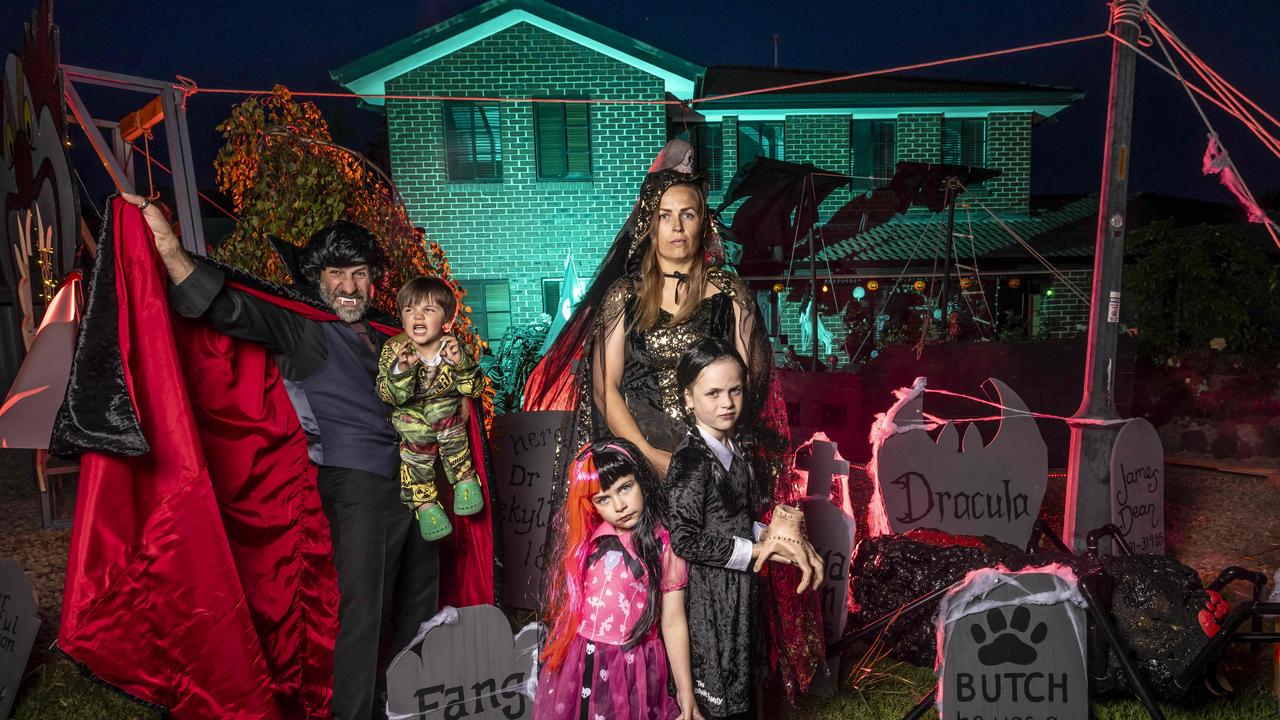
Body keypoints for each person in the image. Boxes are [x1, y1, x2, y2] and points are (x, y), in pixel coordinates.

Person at [124, 193, 438, 720]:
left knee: (420, 605)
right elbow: (230, 308)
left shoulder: (389, 329)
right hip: (357, 485)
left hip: (421, 485)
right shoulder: (302, 327)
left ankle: (408, 708)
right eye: (336, 274)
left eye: (359, 273)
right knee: (362, 614)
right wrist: (169, 249)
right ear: (316, 278)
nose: (348, 286)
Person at [664, 338, 822, 719]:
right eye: (713, 393)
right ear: (688, 397)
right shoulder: (690, 461)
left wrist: (771, 536)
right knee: (720, 695)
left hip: (742, 590)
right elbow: (684, 539)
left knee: (747, 689)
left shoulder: (737, 452)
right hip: (710, 598)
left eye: (734, 390)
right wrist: (753, 551)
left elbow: (735, 518)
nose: (726, 403)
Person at [536, 438, 700, 720]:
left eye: (625, 487)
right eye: (603, 498)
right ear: (591, 504)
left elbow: (672, 620)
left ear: (641, 480)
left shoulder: (664, 545)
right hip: (579, 659)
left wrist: (686, 692)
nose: (620, 505)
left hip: (630, 664)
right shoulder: (587, 541)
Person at [377, 276, 486, 541]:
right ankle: (425, 505)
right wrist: (401, 370)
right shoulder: (394, 349)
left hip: (445, 410)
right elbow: (389, 395)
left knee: (447, 421)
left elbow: (474, 388)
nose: (418, 316)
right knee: (415, 447)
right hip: (410, 412)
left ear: (446, 321)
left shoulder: (452, 347)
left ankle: (464, 478)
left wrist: (461, 364)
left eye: (428, 310)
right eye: (409, 310)